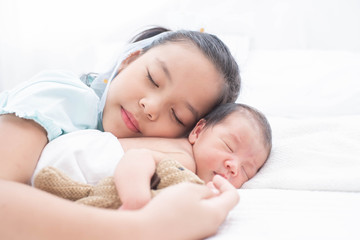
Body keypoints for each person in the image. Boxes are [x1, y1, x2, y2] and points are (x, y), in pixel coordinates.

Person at [0, 26, 241, 239]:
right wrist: (144, 228)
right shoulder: (63, 96)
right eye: (152, 79)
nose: (151, 107)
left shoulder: (132, 155)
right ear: (129, 60)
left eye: (177, 116)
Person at [32, 103, 272, 210]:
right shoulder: (184, 159)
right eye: (229, 146)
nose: (233, 166)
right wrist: (136, 201)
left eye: (247, 169)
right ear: (198, 131)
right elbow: (136, 158)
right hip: (76, 159)